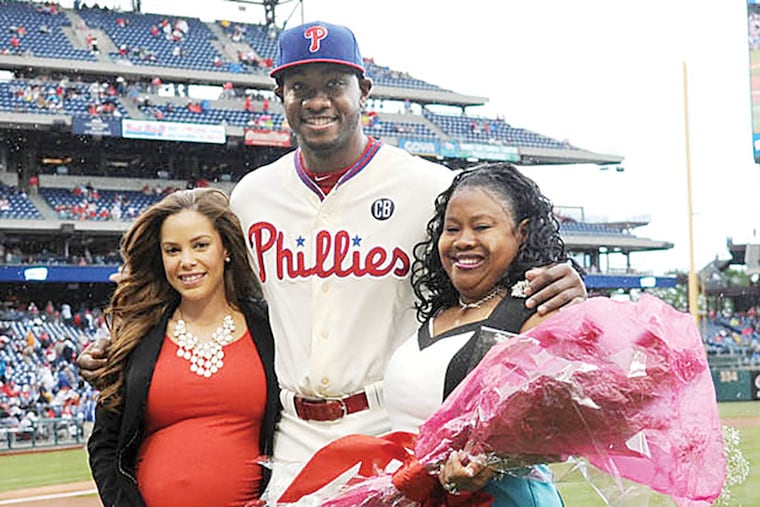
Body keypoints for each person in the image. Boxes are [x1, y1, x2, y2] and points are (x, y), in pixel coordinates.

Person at [79, 21, 585, 501]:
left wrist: (562, 286)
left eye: (334, 83)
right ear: (281, 97)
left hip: (392, 429)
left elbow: (494, 249)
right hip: (290, 436)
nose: (317, 100)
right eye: (299, 86)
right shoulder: (253, 196)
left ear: (363, 91)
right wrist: (124, 344)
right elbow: (201, 287)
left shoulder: (427, 186)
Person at [383, 162, 569, 505]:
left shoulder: (536, 313)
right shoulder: (437, 314)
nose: (464, 241)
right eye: (452, 229)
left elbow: (558, 433)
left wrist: (490, 463)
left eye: (481, 226)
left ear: (522, 233)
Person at [87, 188, 279, 507]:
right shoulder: (138, 336)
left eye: (200, 245)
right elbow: (105, 444)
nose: (187, 261)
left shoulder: (269, 327)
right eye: (172, 250)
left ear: (226, 249)